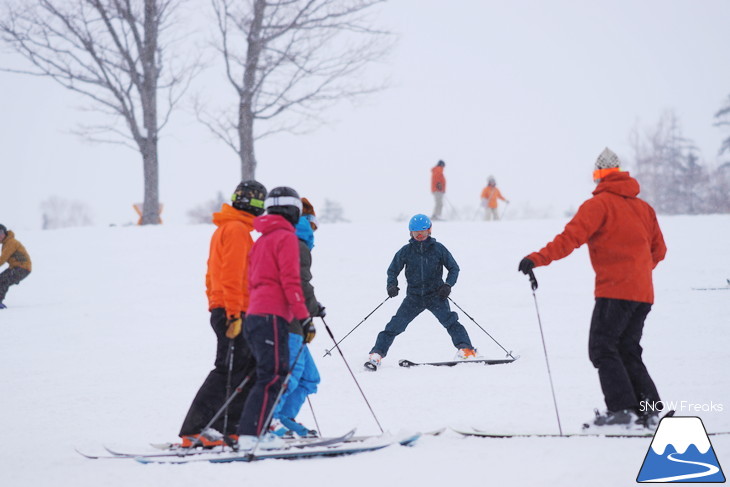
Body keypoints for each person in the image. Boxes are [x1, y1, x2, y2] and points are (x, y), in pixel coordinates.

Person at [518, 147, 667, 429]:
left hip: (614, 291)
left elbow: (570, 238)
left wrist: (536, 259)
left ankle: (623, 411)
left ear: (598, 176)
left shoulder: (599, 205)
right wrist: (637, 273)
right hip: (643, 294)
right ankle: (649, 411)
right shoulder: (644, 208)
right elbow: (659, 251)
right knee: (627, 349)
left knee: (602, 348)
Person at [177, 181, 267, 448]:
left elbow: (210, 275)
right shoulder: (237, 230)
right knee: (227, 370)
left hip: (232, 309)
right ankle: (194, 430)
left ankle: (226, 428)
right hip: (233, 313)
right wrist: (232, 313)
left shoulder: (227, 229)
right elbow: (231, 275)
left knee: (244, 369)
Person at [236, 187, 311, 450]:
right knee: (273, 376)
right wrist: (304, 318)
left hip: (255, 316)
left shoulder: (262, 240)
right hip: (272, 316)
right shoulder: (286, 239)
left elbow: (250, 280)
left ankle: (250, 433)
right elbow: (291, 282)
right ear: (293, 212)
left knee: (266, 375)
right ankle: (251, 436)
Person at [365, 214, 477, 370]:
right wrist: (391, 285)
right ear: (410, 233)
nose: (419, 235)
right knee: (394, 326)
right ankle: (376, 355)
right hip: (414, 298)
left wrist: (448, 285)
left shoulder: (439, 249)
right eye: (415, 232)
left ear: (429, 230)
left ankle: (467, 350)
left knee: (451, 322)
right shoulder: (406, 251)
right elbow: (392, 270)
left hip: (436, 296)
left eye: (422, 231)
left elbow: (454, 268)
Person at [270, 197, 325, 438]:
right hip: (286, 322)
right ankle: (268, 423)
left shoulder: (295, 240)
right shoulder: (297, 241)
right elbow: (299, 283)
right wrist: (311, 308)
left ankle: (283, 419)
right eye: (313, 221)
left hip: (296, 320)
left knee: (308, 378)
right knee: (291, 377)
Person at [0, 224, 32, 309]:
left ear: (5, 232)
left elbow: (2, 259)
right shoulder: (6, 243)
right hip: (17, 267)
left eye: (0, 232)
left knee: (3, 280)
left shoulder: (10, 242)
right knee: (2, 280)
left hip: (22, 268)